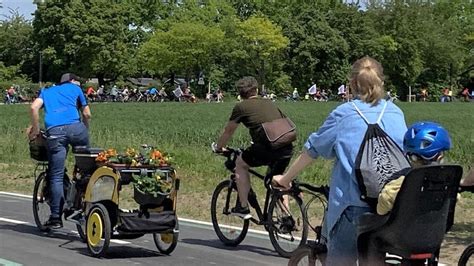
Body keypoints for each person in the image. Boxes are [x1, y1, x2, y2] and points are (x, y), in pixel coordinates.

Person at [272, 56, 407, 265]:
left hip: (352, 205)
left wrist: (285, 178)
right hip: (390, 205)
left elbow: (313, 150)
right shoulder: (396, 112)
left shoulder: (344, 114)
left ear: (351, 84)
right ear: (381, 81)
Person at [214, 76, 293, 219]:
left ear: (240, 93)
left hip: (268, 148)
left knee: (240, 163)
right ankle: (286, 216)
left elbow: (228, 131)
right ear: (256, 90)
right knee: (277, 179)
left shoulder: (241, 107)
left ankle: (243, 207)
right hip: (287, 147)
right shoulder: (268, 102)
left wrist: (219, 147)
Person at [28, 73, 91, 229]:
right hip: (77, 130)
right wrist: (84, 130)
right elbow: (87, 114)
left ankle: (56, 217)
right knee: (86, 170)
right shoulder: (76, 89)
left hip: (55, 132)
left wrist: (36, 130)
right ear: (72, 81)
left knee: (56, 175)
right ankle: (85, 203)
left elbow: (34, 107)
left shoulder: (47, 91)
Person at [377, 122, 452, 216]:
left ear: (412, 157)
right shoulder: (447, 183)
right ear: (440, 156)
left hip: (401, 230)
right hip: (434, 229)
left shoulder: (396, 186)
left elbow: (381, 211)